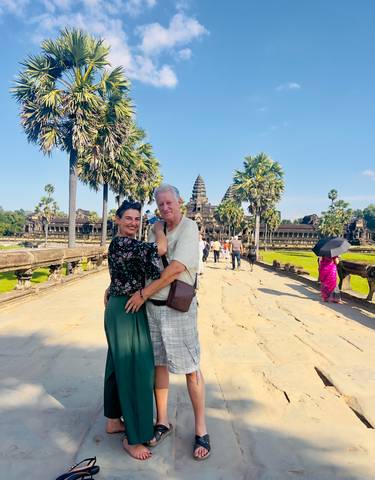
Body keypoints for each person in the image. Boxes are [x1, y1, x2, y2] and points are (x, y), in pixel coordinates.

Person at [125, 184, 211, 461]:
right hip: (153, 309)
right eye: (160, 204)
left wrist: (143, 293)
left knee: (190, 366)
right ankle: (162, 420)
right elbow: (146, 263)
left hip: (178, 309)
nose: (165, 208)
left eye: (169, 203)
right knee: (158, 364)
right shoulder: (155, 229)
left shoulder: (189, 228)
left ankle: (201, 429)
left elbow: (175, 269)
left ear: (181, 202)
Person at [103, 200, 167, 461]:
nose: (132, 223)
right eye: (128, 218)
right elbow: (161, 249)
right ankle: (134, 437)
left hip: (121, 306)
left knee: (117, 366)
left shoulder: (119, 245)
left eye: (137, 219)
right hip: (127, 309)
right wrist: (158, 226)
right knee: (137, 370)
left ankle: (112, 420)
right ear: (117, 220)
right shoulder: (125, 243)